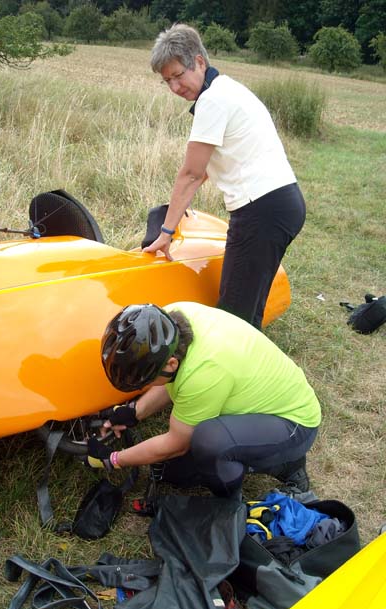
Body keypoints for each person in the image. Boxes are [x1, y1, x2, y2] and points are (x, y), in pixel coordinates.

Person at [142, 24, 306, 329]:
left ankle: (241, 372)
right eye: (167, 81)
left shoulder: (212, 100)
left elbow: (191, 174)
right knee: (248, 303)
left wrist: (166, 232)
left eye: (178, 75)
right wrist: (174, 214)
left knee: (234, 315)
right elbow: (202, 172)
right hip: (283, 204)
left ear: (200, 62)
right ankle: (250, 358)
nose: (175, 88)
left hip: (262, 210)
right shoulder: (227, 89)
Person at [86, 301, 321, 498]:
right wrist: (133, 412)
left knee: (210, 443)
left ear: (170, 364)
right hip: (259, 396)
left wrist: (114, 459)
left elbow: (176, 444)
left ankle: (275, 473)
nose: (147, 386)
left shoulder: (205, 371)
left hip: (295, 423)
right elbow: (173, 380)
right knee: (176, 473)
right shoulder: (173, 320)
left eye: (147, 379)